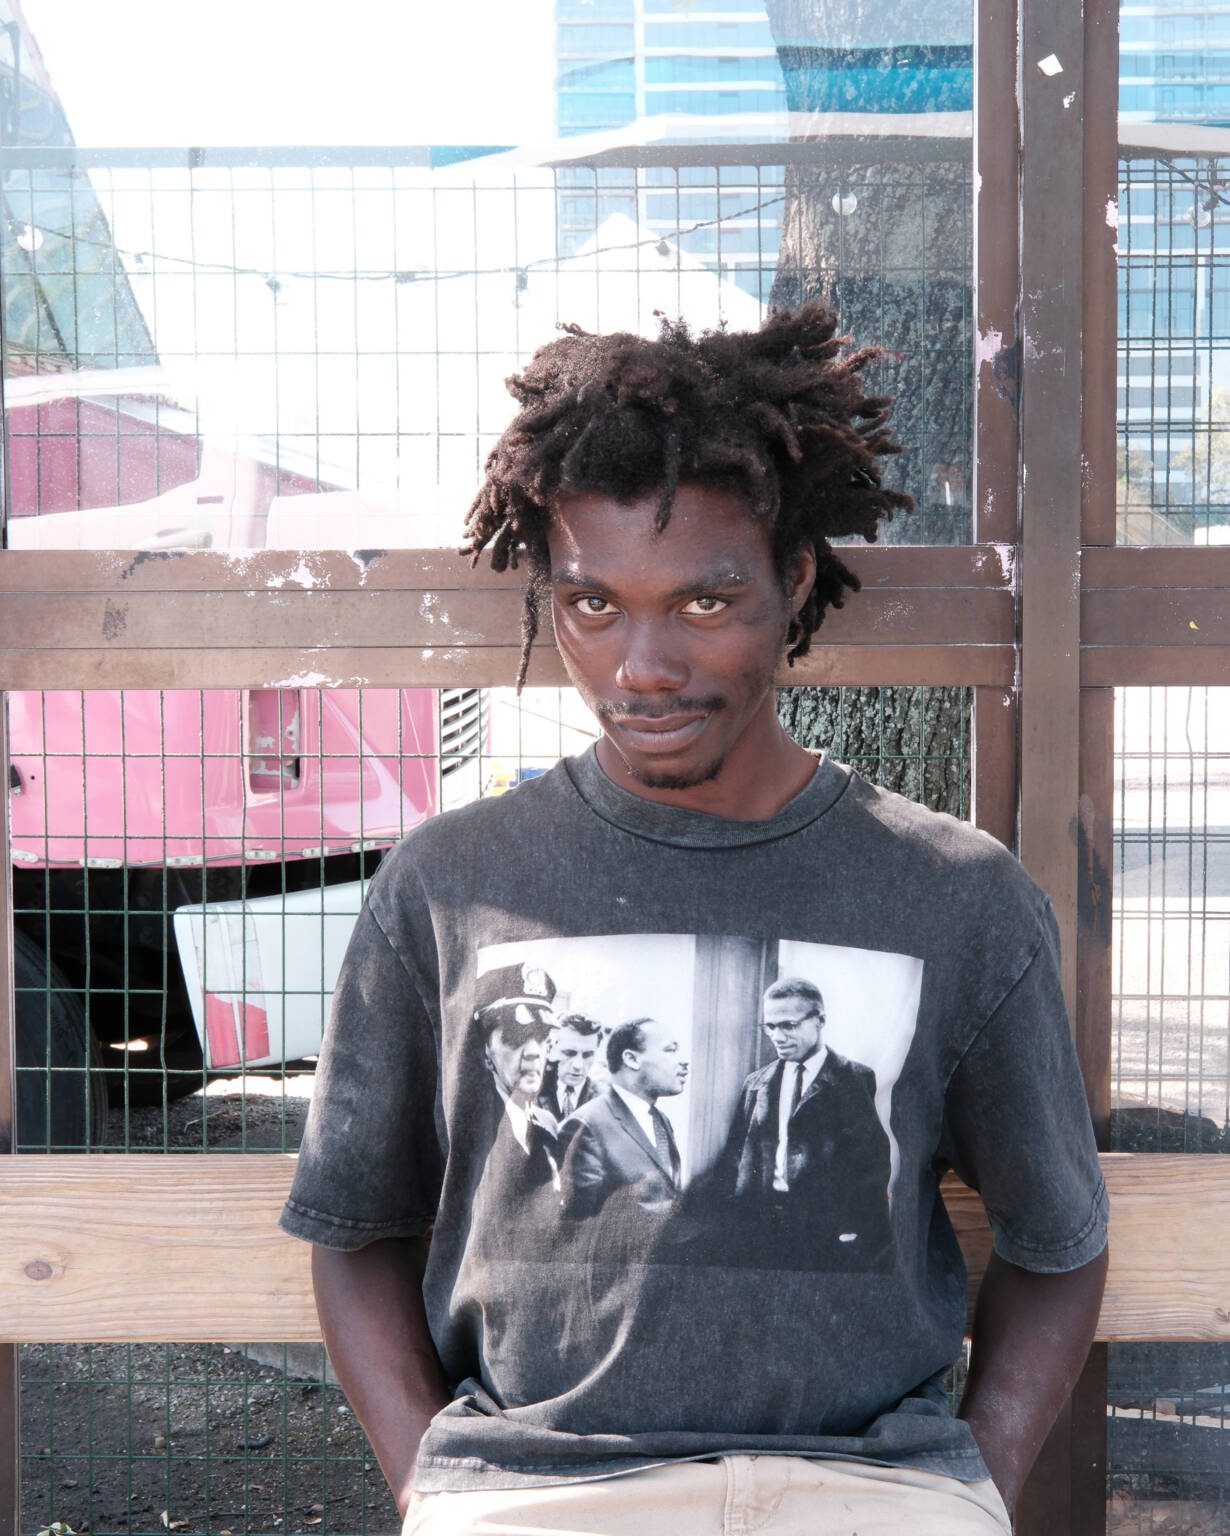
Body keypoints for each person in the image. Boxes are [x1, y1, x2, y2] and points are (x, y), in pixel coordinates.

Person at [281, 305, 1108, 1535]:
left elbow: (1057, 1240)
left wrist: (969, 1487)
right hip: (539, 1497)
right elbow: (353, 1231)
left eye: (705, 604)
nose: (644, 665)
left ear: (794, 581)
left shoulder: (957, 895)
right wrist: (432, 1489)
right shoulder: (448, 884)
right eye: (593, 604)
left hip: (869, 1494)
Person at [721, 976, 893, 1270]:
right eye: (770, 1026)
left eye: (788, 1025)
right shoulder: (755, 1083)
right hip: (761, 1227)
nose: (777, 1036)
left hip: (823, 1231)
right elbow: (734, 1158)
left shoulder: (854, 1079)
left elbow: (870, 1164)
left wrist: (856, 1228)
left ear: (820, 1020)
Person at [562, 1017, 686, 1218]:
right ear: (631, 1059)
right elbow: (582, 1222)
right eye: (670, 1050)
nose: (683, 1061)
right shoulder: (586, 1125)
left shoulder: (661, 1120)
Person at [539, 1011, 603, 1122]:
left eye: (587, 1055)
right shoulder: (531, 1092)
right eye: (569, 1053)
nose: (578, 1065)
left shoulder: (605, 1101)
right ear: (550, 1049)